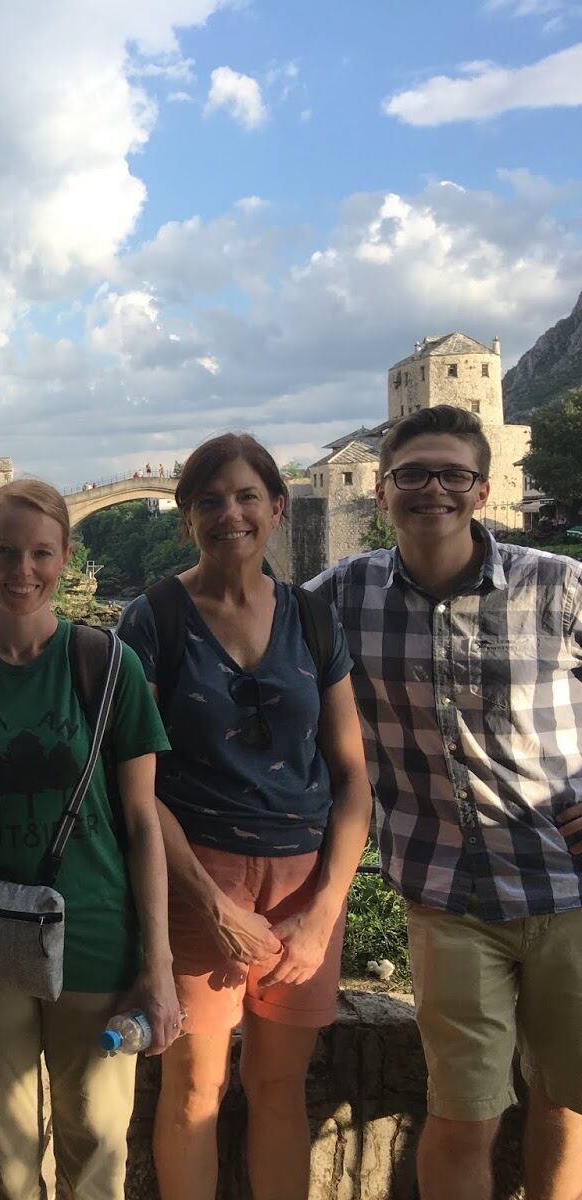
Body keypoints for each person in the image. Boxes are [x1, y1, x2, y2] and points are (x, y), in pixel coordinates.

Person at [306, 406, 582, 1200]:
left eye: (452, 474)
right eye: (413, 474)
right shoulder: (340, 596)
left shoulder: (556, 585)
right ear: (383, 491)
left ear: (483, 489)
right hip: (447, 895)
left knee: (566, 1103)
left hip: (567, 889)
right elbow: (249, 637)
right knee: (463, 1117)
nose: (434, 489)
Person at [0, 479, 182, 1200]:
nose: (22, 571)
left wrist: (158, 965)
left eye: (40, 554)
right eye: (5, 552)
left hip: (95, 934)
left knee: (97, 1149)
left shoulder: (109, 666)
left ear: (64, 558)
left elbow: (144, 822)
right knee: (3, 1154)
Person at [118, 433, 371, 1200]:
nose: (229, 513)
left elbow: (353, 774)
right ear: (186, 517)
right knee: (194, 1092)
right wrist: (209, 903)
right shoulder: (152, 619)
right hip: (198, 877)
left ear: (277, 507)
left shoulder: (312, 617)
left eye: (245, 496)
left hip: (305, 882)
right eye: (208, 501)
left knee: (278, 1089)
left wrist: (324, 912)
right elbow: (133, 783)